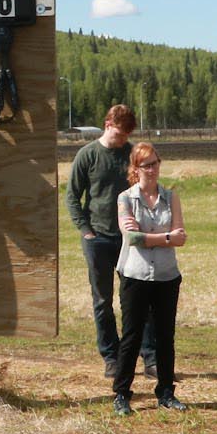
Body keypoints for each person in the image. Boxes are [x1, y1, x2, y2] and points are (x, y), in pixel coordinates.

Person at [112, 142, 189, 414]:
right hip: (135, 275)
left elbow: (180, 237)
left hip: (167, 276)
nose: (152, 169)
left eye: (155, 163)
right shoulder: (125, 198)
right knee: (132, 336)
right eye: (146, 165)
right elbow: (131, 238)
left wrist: (151, 238)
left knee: (165, 336)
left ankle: (166, 392)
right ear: (135, 168)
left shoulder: (171, 197)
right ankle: (122, 394)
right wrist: (165, 237)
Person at [66, 105, 137, 377]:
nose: (122, 140)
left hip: (130, 239)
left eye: (126, 135)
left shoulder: (132, 154)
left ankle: (149, 356)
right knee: (102, 300)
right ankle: (111, 356)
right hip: (98, 238)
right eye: (119, 134)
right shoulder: (88, 155)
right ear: (108, 124)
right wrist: (85, 230)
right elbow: (72, 196)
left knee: (138, 299)